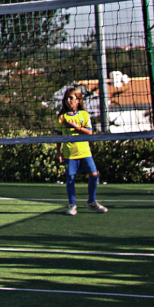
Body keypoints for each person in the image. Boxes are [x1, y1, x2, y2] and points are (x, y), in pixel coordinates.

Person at [57, 87, 105, 216]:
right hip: (69, 153)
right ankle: (72, 205)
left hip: (84, 152)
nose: (68, 101)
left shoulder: (84, 115)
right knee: (70, 178)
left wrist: (75, 127)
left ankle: (92, 202)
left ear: (78, 100)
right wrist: (58, 152)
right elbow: (57, 137)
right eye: (67, 98)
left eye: (71, 98)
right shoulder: (62, 117)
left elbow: (89, 132)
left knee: (94, 175)